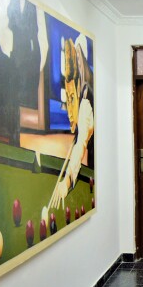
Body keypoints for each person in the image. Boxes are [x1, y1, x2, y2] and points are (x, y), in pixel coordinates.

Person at [52, 35, 94, 209]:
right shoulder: (85, 82)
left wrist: (68, 180)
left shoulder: (85, 96)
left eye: (76, 56)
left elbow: (82, 141)